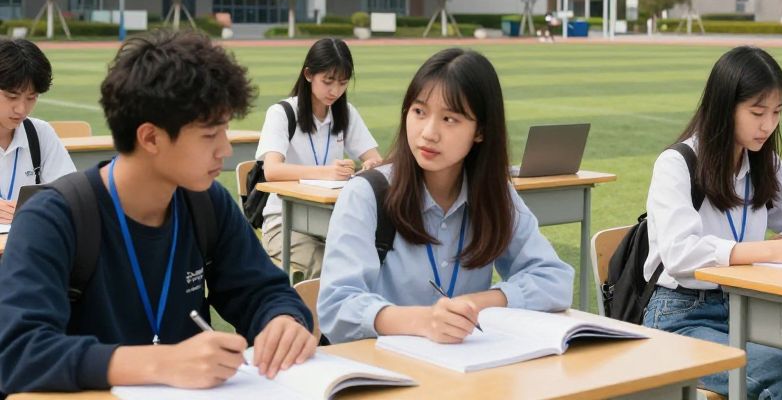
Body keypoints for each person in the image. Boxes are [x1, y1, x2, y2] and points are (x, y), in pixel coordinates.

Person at [0, 30, 316, 394]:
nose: (226, 150)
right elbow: (18, 353)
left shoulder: (207, 203)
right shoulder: (53, 219)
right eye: (209, 134)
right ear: (150, 137)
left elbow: (264, 291)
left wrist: (283, 319)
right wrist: (162, 362)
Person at [317, 47, 573, 344]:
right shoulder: (366, 194)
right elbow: (337, 306)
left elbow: (555, 279)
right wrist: (425, 321)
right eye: (419, 112)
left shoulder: (494, 194)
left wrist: (475, 304)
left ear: (480, 131)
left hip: (465, 364)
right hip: (382, 365)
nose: (428, 133)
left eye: (449, 119)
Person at [643, 45, 782, 400]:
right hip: (679, 318)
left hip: (744, 309)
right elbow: (680, 255)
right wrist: (773, 250)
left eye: (777, 112)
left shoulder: (764, 163)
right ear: (725, 107)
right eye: (757, 112)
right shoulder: (677, 163)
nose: (768, 125)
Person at [256, 37, 383, 279]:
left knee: (372, 260)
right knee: (330, 267)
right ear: (308, 75)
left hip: (332, 220)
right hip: (284, 222)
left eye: (343, 83)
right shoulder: (282, 113)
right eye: (328, 81)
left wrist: (370, 165)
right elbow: (272, 170)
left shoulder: (345, 113)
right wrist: (327, 172)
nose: (335, 91)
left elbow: (375, 160)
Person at [0, 38, 75, 223]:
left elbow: (71, 196)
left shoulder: (40, 134)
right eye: (12, 97)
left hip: (28, 238)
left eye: (31, 98)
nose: (22, 109)